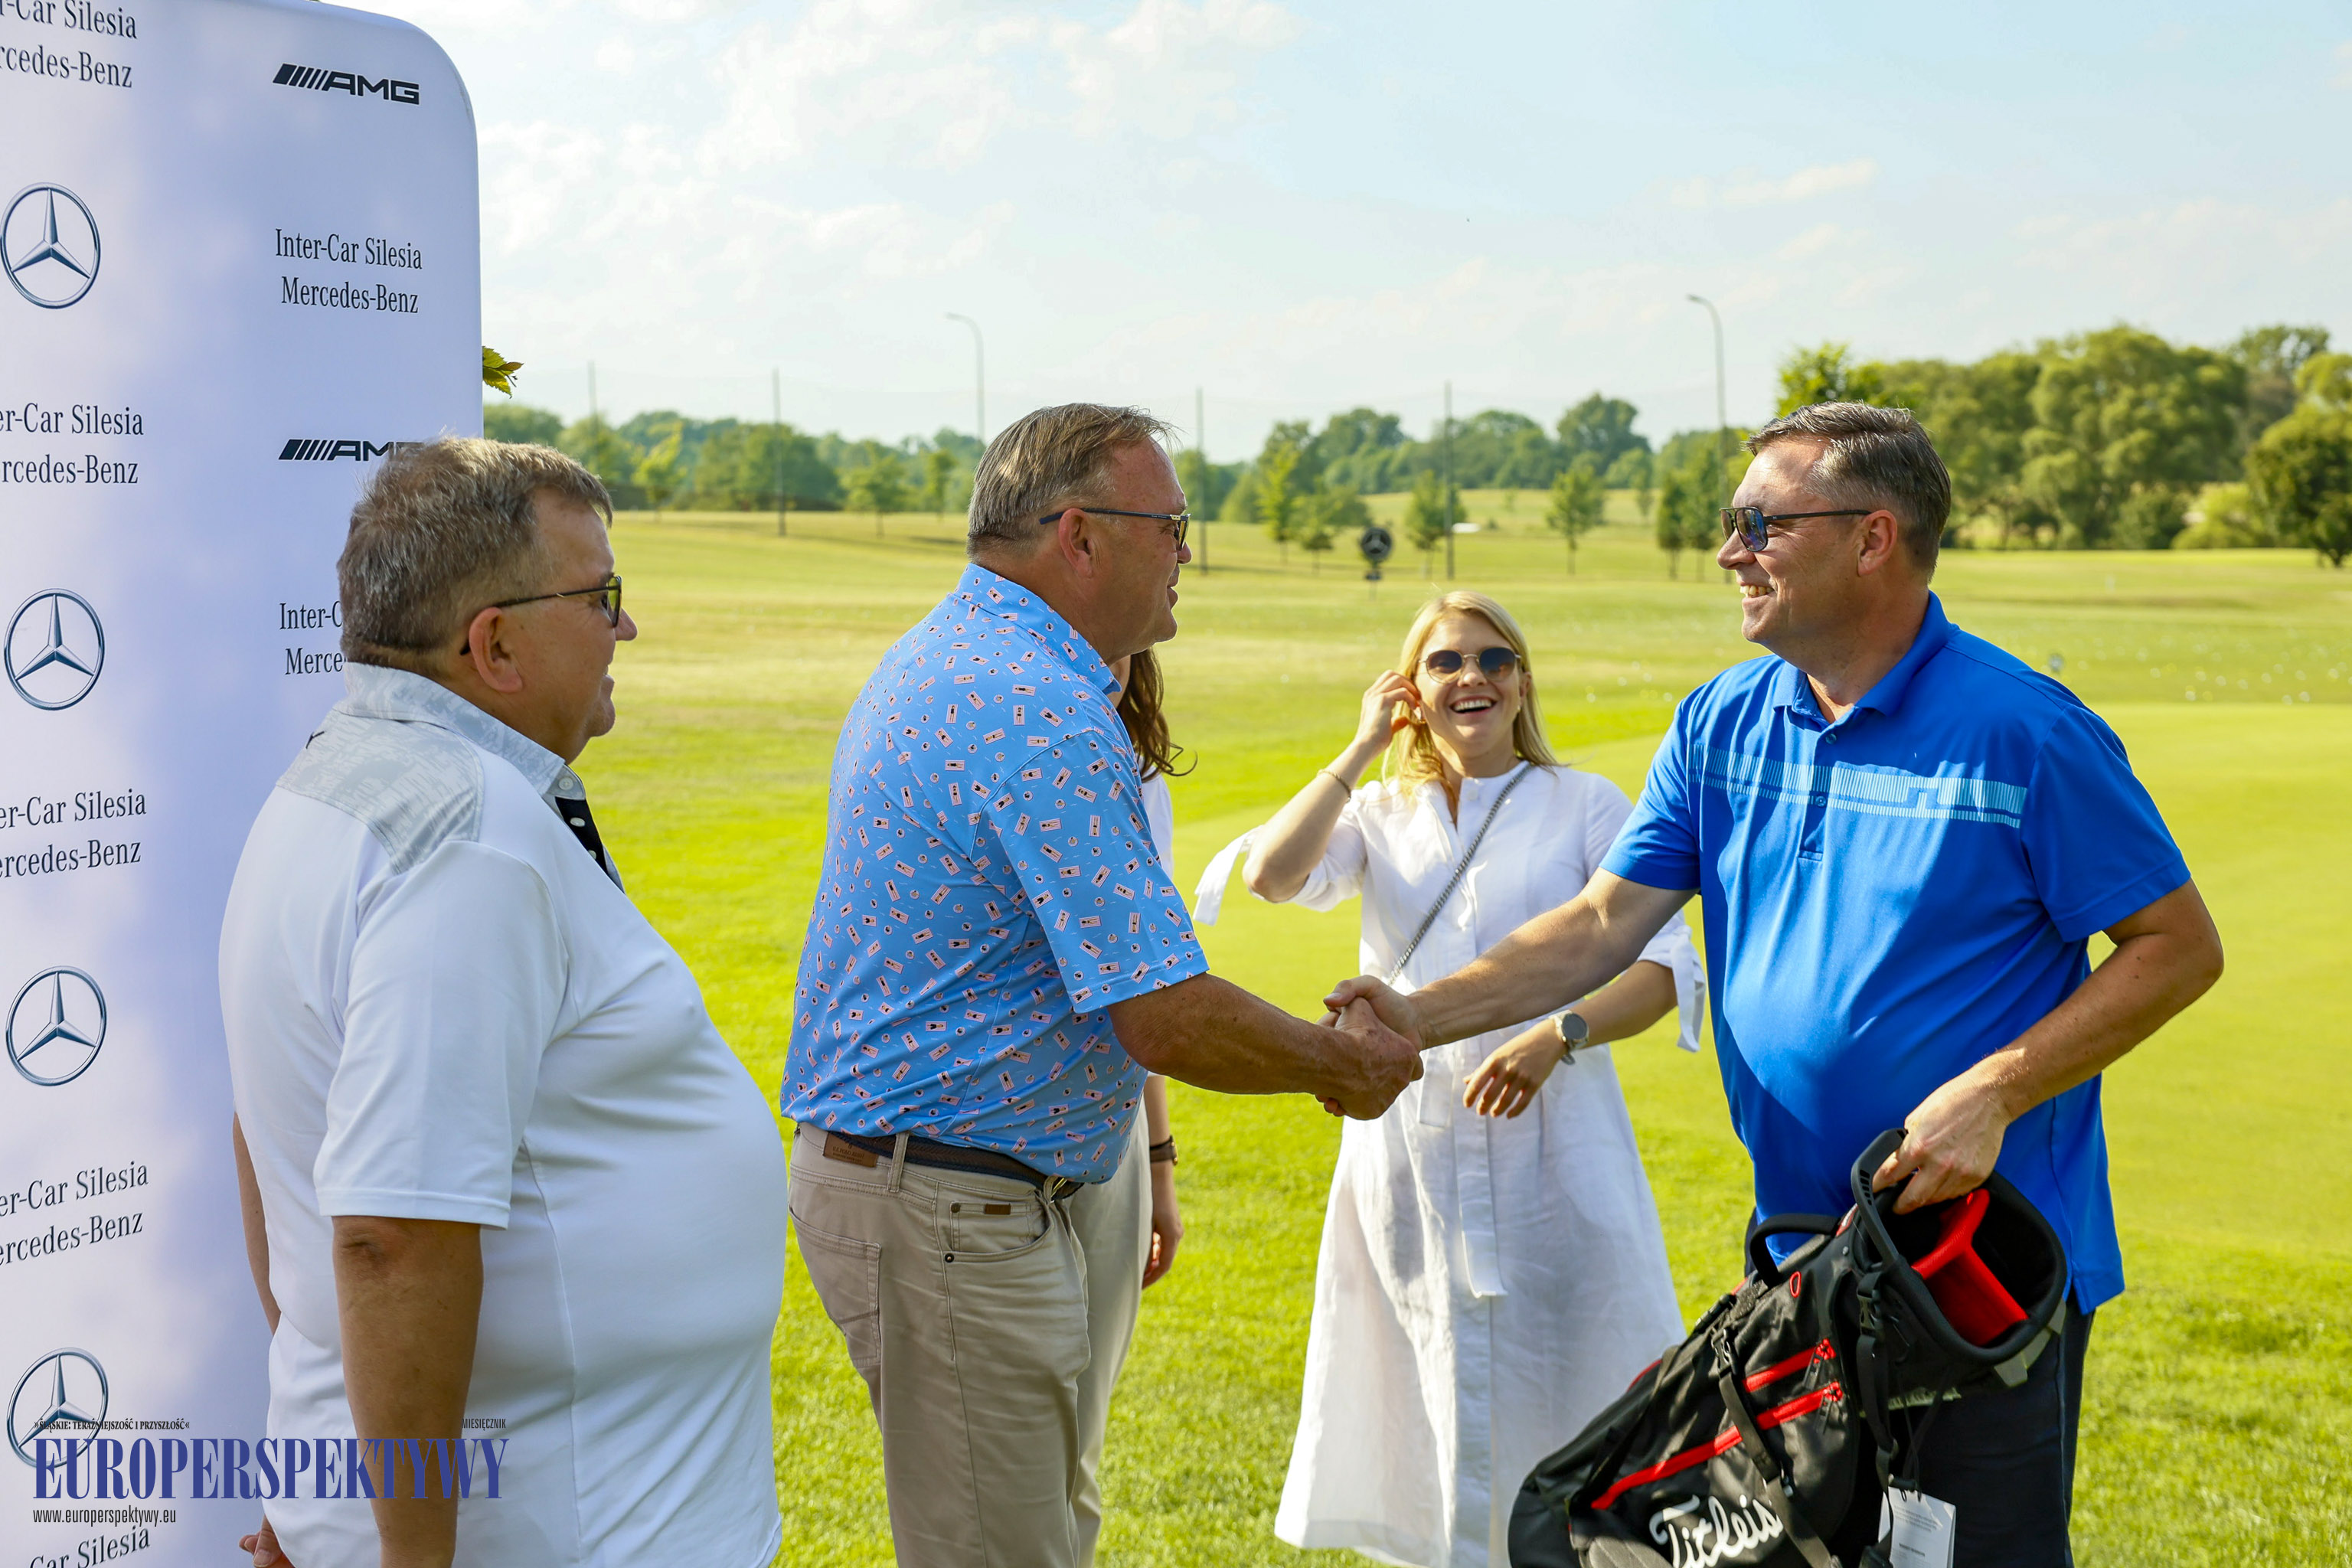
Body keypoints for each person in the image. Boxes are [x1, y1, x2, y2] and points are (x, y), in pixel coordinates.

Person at [1327, 403, 2225, 1566]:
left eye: (1761, 522)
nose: (1728, 551)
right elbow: (1603, 923)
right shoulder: (1723, 721)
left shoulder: (2027, 732)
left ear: (1872, 539)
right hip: (1801, 1271)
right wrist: (1417, 1012)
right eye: (1730, 522)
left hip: (1979, 1275)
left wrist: (1997, 1092)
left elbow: (2177, 946)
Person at [780, 403, 1420, 1568]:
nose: (1187, 550)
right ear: (1079, 535)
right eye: (1170, 525)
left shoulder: (978, 658)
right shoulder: (1034, 707)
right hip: (949, 1207)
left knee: (1039, 1528)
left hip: (963, 1191)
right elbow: (1163, 1010)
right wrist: (1343, 1065)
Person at [219, 439, 790, 1568]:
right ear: (496, 645)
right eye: (601, 596)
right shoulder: (469, 842)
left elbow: (269, 1139)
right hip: (569, 1529)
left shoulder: (336, 781)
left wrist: (327, 1453)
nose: (625, 628)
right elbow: (390, 1239)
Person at [1211, 590, 1703, 1567]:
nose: (1471, 677)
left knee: (1578, 1370)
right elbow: (1270, 874)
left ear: (1523, 681)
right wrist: (1359, 747)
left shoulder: (1586, 804)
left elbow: (1663, 969)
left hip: (1556, 1148)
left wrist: (1556, 1035)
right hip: (1410, 1149)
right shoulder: (1380, 812)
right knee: (1423, 1374)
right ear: (1413, 689)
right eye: (1444, 663)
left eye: (1493, 659)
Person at [1066, 648, 1186, 1563]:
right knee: (1027, 1454)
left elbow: (1148, 986)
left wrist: (1159, 1162)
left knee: (1081, 1437)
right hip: (997, 1158)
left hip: (1113, 1149)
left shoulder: (1138, 773)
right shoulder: (1025, 737)